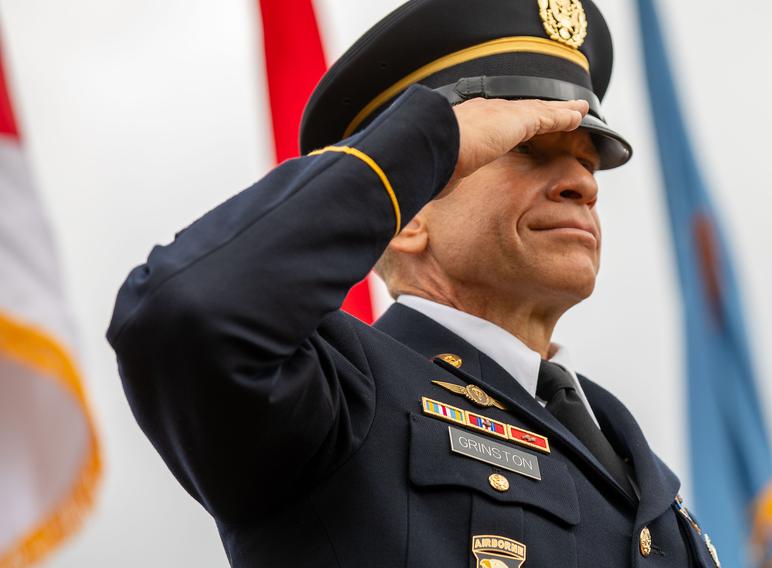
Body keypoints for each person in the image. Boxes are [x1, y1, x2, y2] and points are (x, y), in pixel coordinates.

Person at [107, 1, 721, 566]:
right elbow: (184, 311)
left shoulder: (639, 470)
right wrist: (429, 140)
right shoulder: (340, 394)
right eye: (527, 146)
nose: (583, 185)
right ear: (409, 217)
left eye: (588, 162)